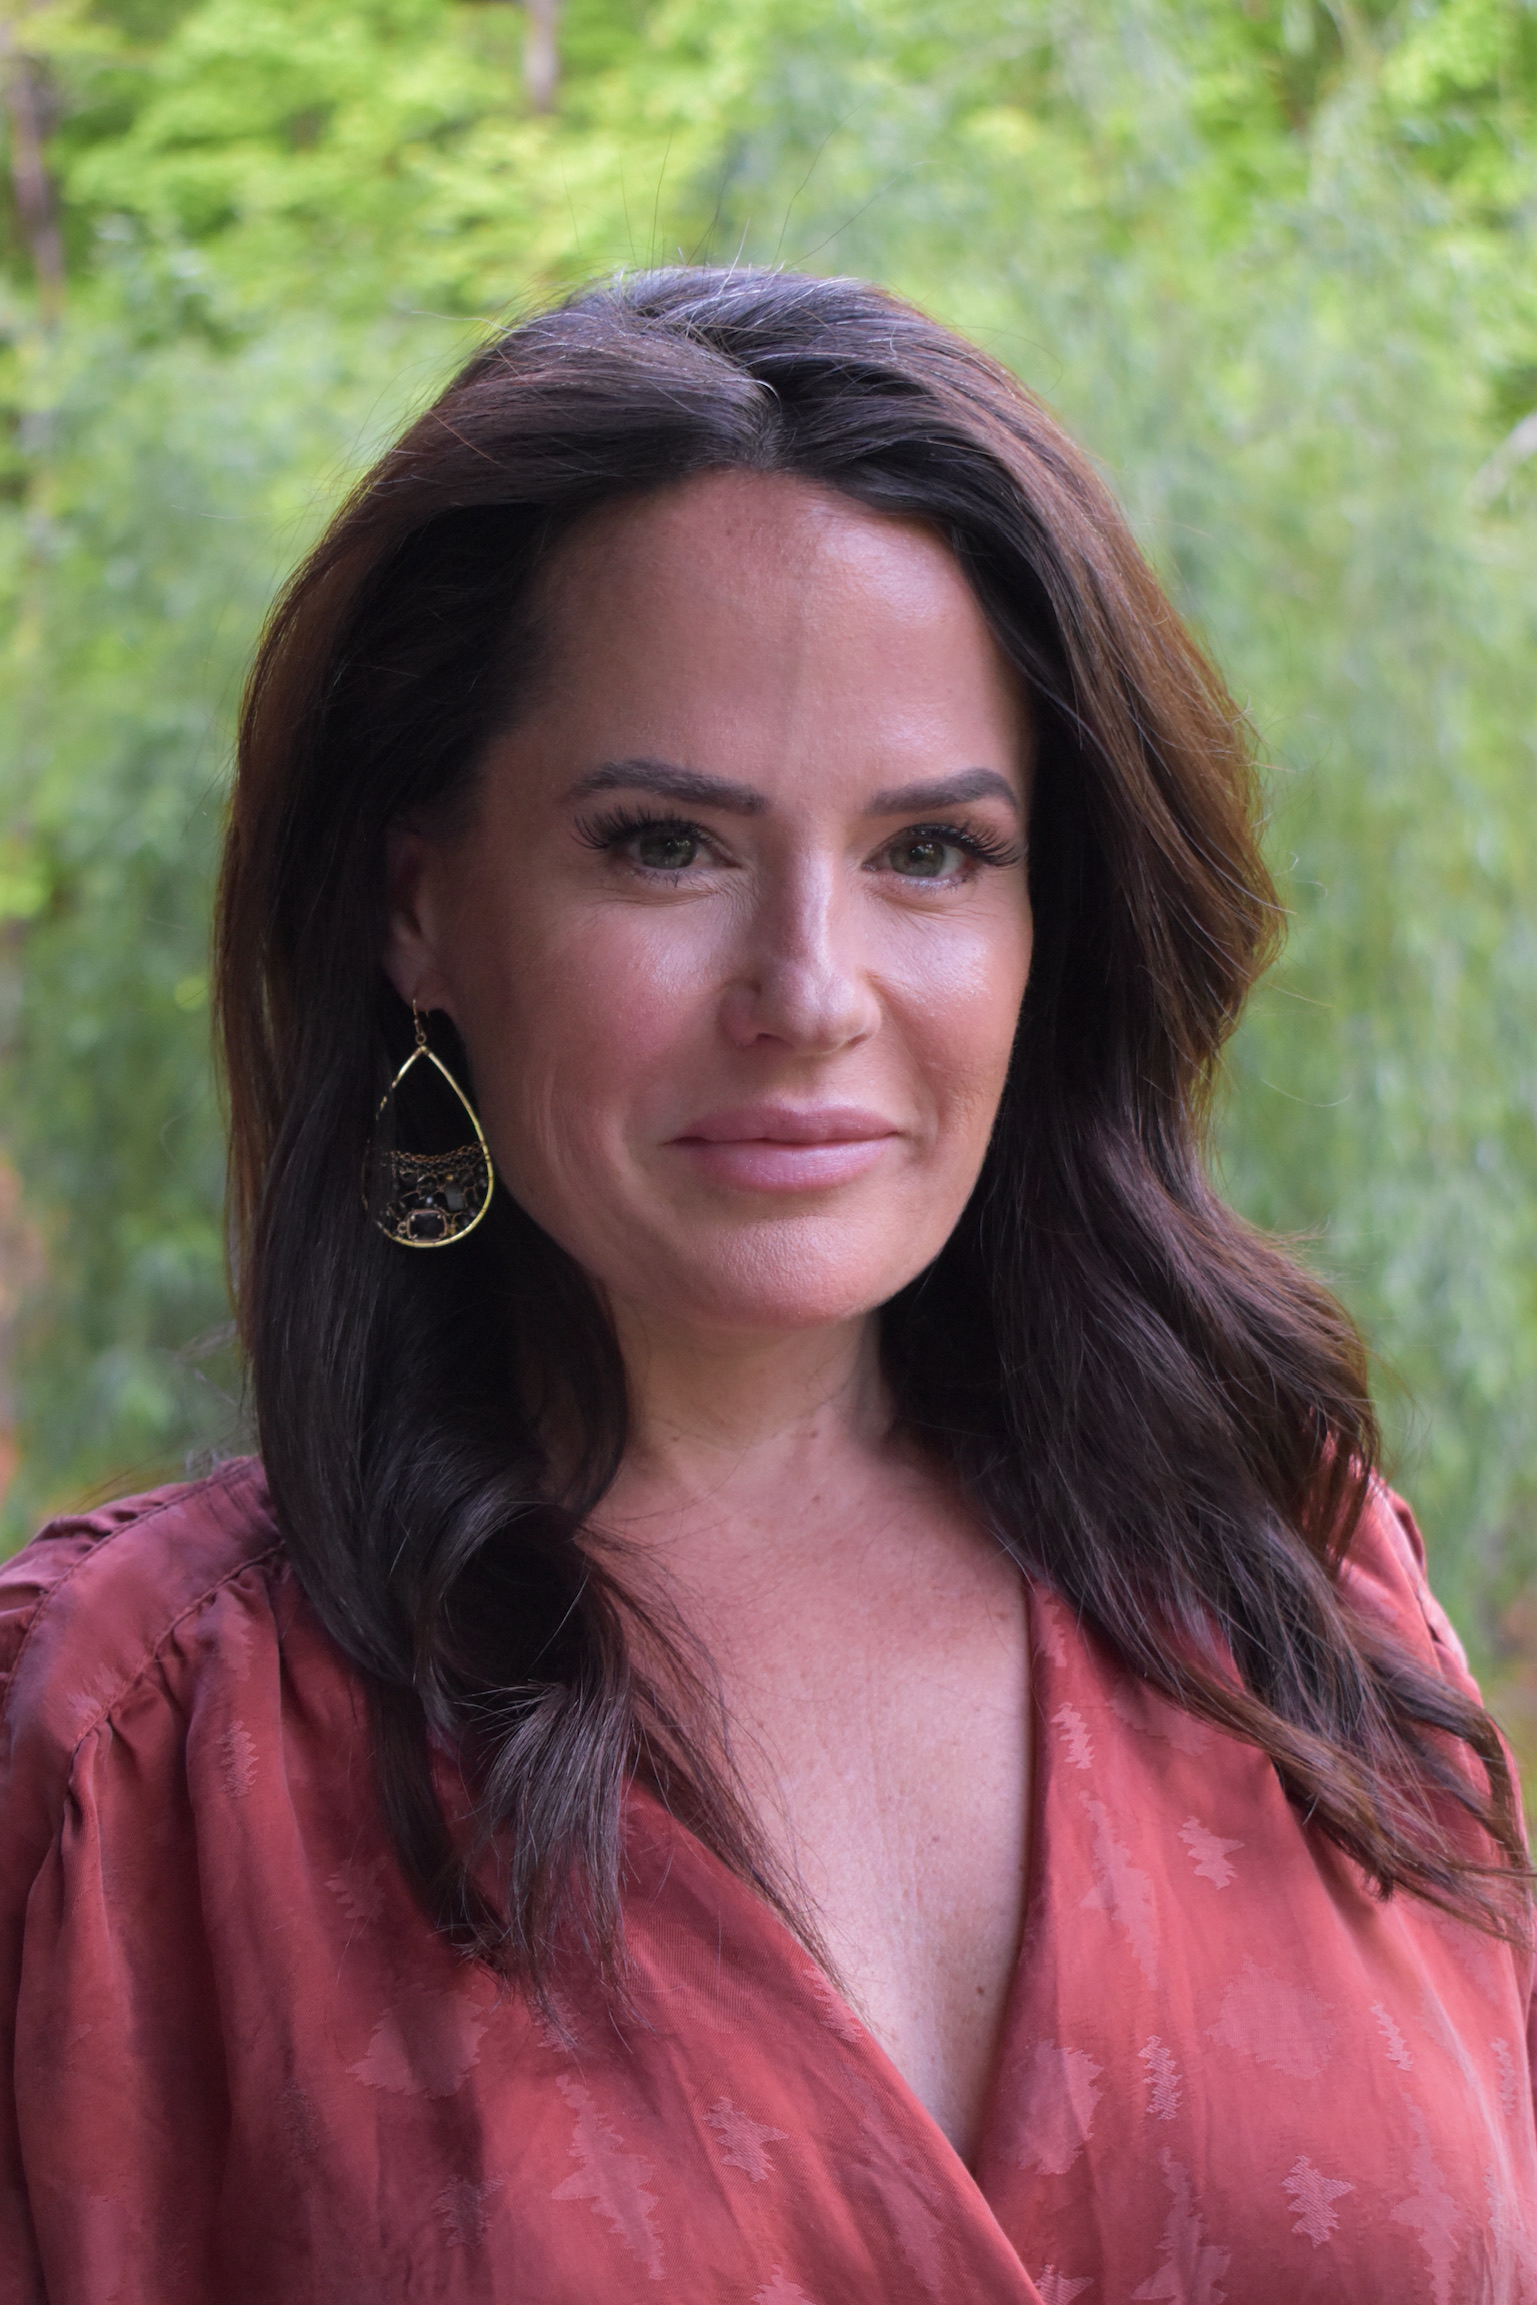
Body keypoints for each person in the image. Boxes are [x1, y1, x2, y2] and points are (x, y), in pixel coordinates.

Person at [0, 267, 1531, 2305]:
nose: (810, 993)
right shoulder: (124, 1752)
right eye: (665, 845)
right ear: (419, 905)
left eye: (932, 853)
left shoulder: (1305, 1603)